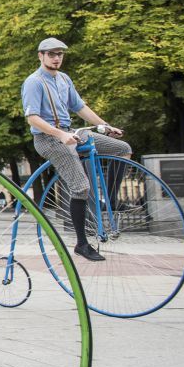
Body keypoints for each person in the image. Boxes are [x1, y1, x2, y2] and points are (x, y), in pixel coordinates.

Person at [21, 38, 131, 262]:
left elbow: (79, 107)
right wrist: (60, 134)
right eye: (51, 53)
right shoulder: (34, 82)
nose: (56, 58)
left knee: (123, 149)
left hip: (73, 133)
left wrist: (105, 126)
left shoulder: (64, 79)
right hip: (49, 139)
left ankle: (109, 200)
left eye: (60, 54)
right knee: (80, 186)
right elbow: (32, 118)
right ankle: (82, 243)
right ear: (40, 56)